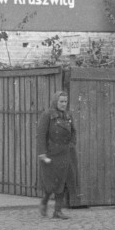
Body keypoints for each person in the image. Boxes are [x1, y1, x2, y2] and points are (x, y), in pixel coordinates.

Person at [36, 90, 77, 219]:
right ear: (55, 101)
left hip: (65, 154)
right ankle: (44, 202)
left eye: (65, 101)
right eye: (61, 101)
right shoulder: (47, 115)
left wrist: (71, 144)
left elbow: (73, 132)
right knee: (51, 183)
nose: (64, 104)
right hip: (51, 154)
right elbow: (41, 135)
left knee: (63, 182)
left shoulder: (68, 115)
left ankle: (57, 211)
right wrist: (42, 153)